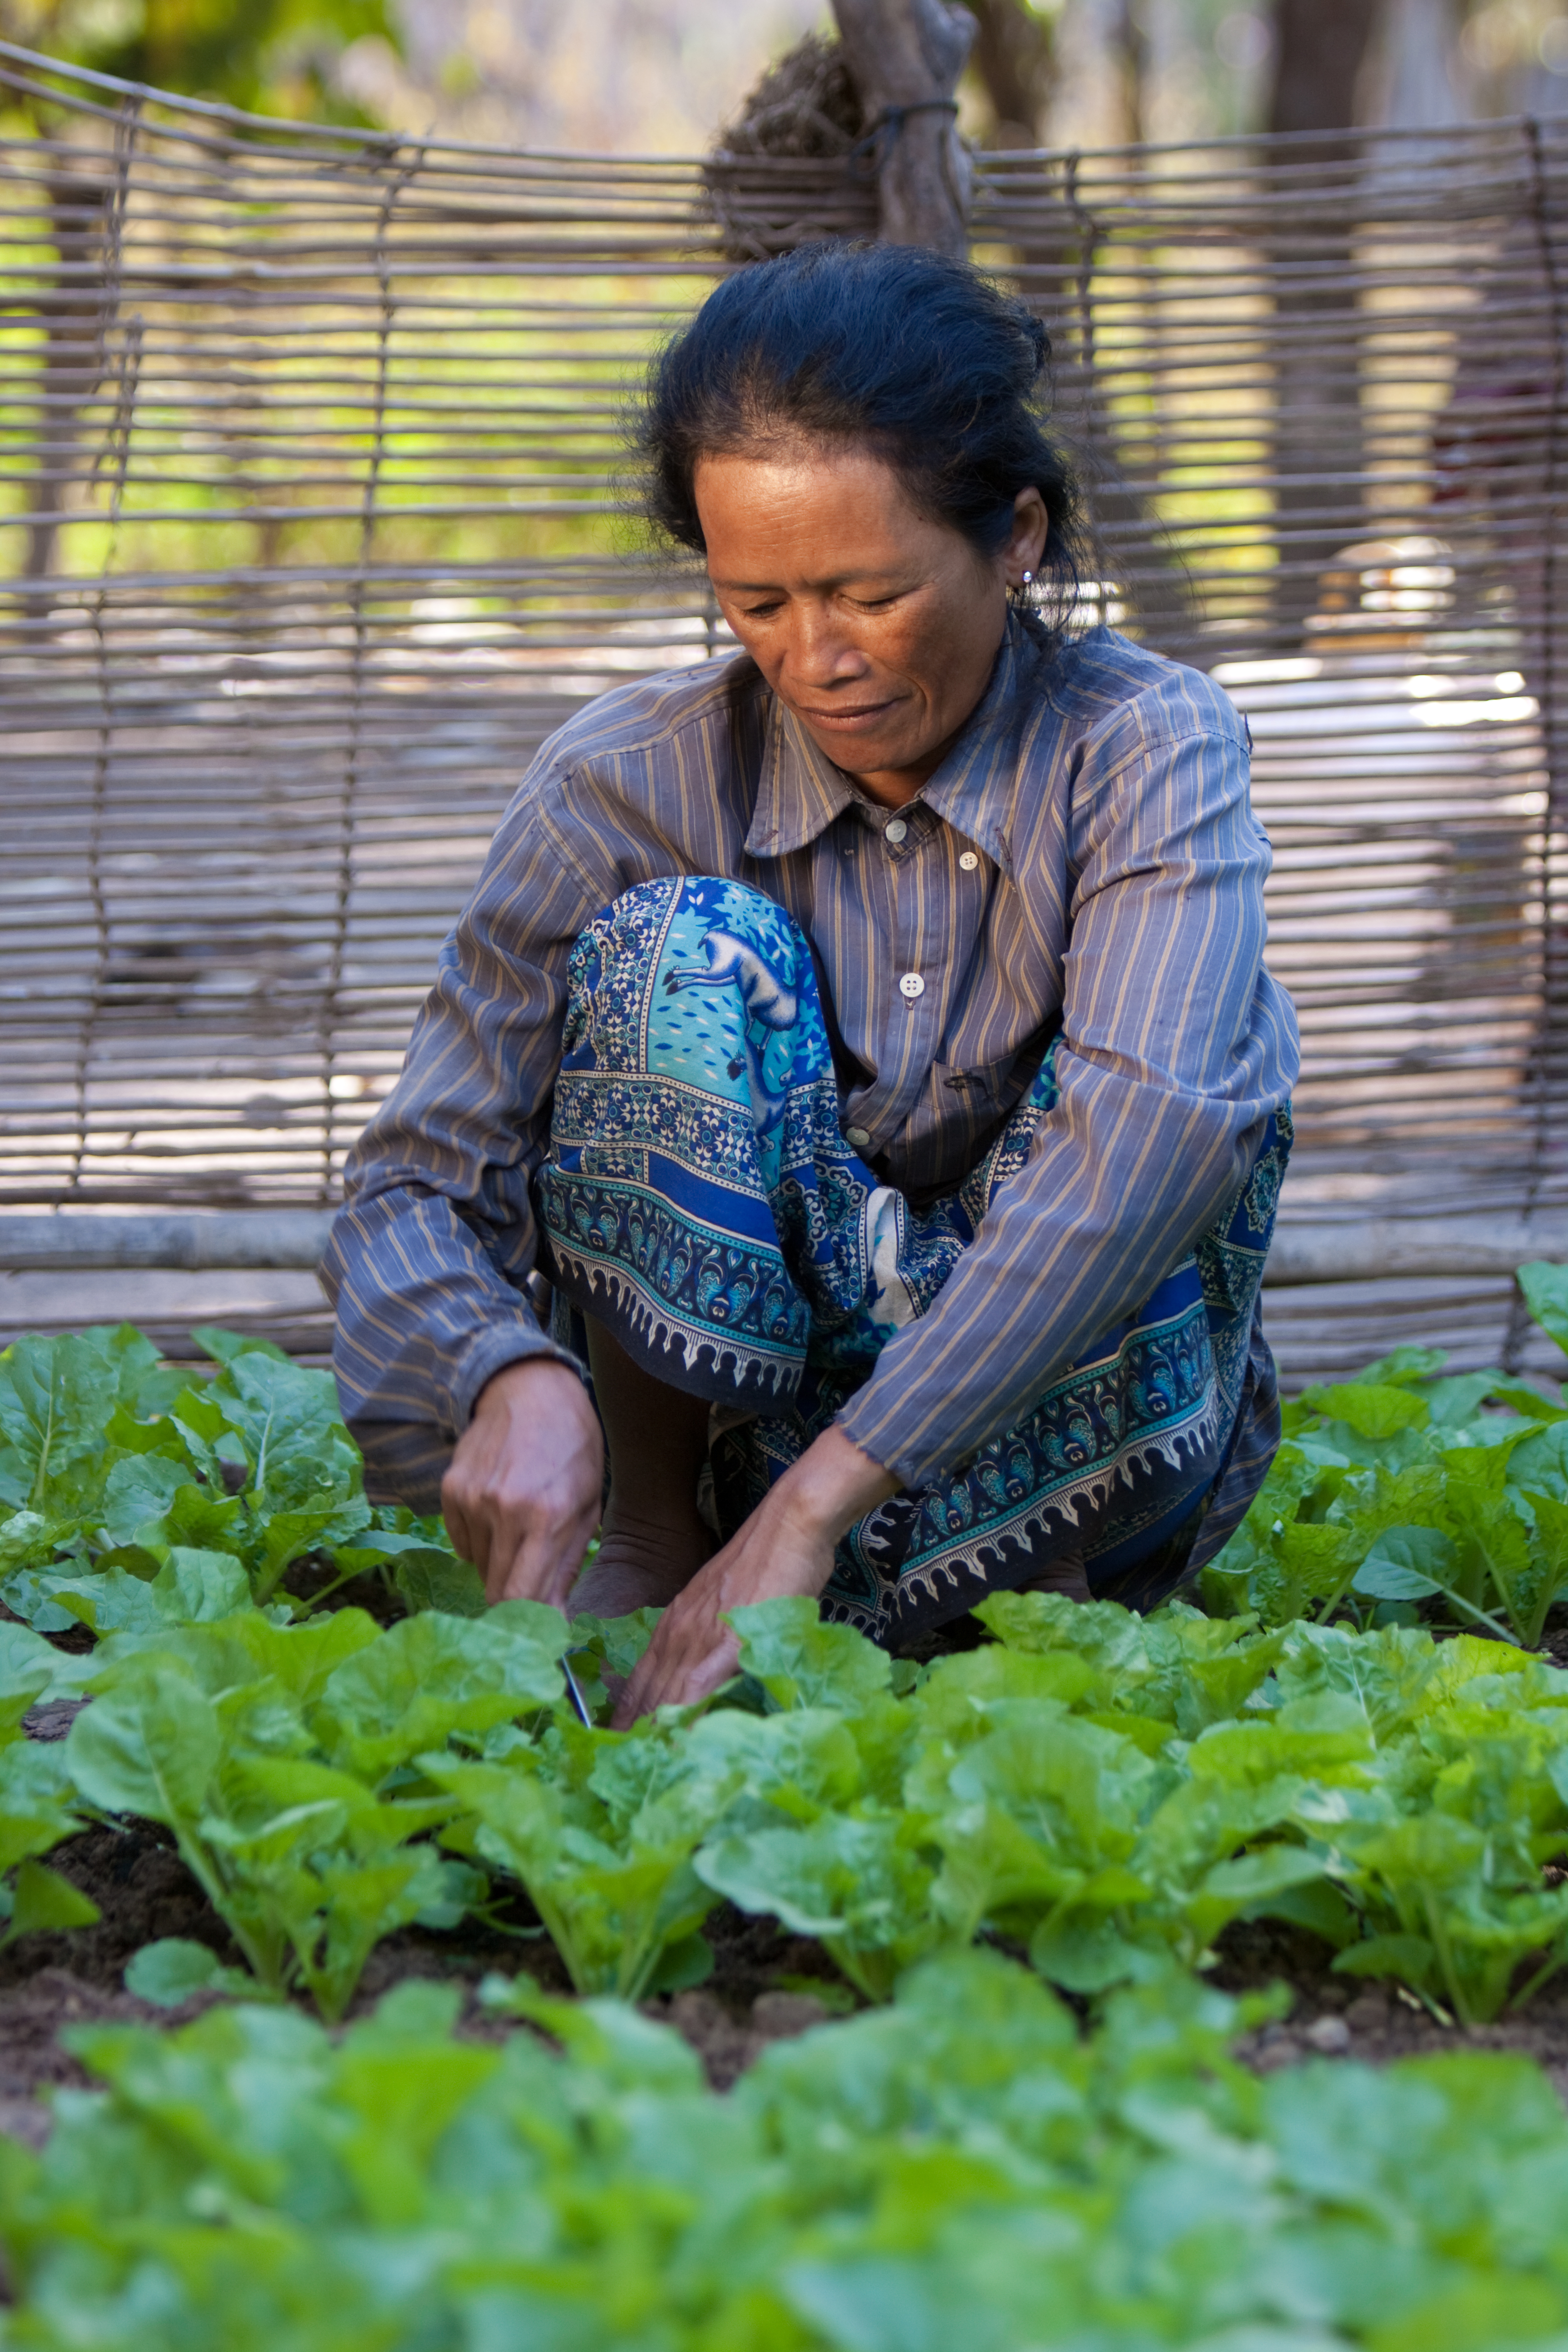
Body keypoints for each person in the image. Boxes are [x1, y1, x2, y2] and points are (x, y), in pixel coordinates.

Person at [323, 241, 1299, 1723]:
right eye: (757, 603)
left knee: (1192, 1074)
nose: (815, 659)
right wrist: (502, 1373)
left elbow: (1151, 1134)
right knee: (676, 953)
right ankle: (654, 1546)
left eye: (869, 593)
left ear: (1017, 537)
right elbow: (412, 1186)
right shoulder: (622, 785)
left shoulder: (1145, 750)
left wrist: (813, 1517)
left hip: (1069, 1472)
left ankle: (1023, 1619)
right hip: (735, 1450)